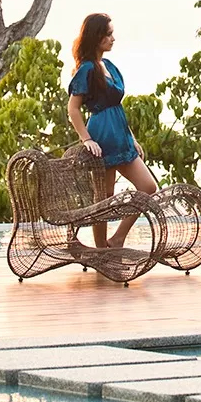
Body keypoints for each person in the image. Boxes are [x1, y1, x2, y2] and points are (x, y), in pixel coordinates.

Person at [66, 13, 157, 249]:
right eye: (108, 34)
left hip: (120, 135)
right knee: (104, 197)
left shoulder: (109, 66)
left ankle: (117, 239)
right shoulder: (86, 69)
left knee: (148, 187)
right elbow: (73, 108)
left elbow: (116, 105)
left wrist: (131, 138)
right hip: (102, 138)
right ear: (96, 37)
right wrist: (86, 139)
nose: (113, 38)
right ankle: (100, 249)